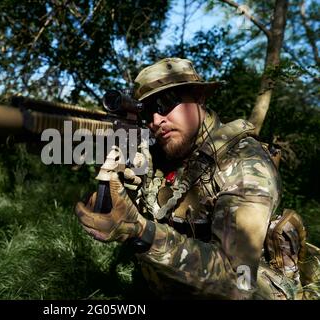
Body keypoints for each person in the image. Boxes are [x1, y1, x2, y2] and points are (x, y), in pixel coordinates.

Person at [75, 57, 309, 300]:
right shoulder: (159, 153)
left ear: (199, 97)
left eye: (166, 103)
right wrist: (123, 193)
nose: (156, 121)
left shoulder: (244, 163)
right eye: (148, 111)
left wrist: (140, 232)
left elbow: (239, 279)